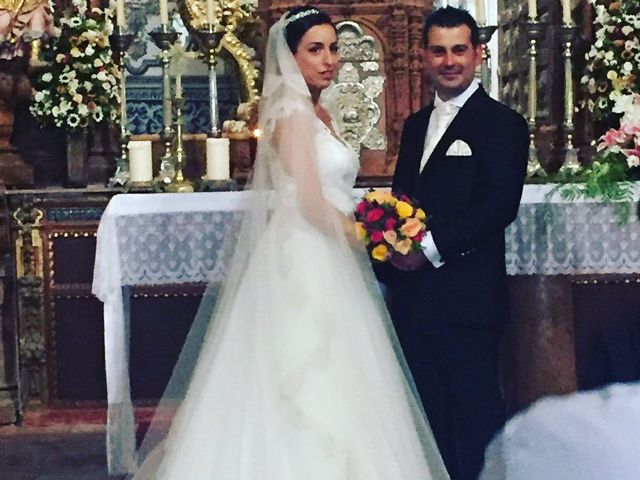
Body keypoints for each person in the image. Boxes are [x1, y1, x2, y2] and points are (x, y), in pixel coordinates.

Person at [119, 7, 449, 480]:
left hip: (328, 251)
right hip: (304, 253)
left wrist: (373, 224)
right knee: (303, 372)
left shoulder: (319, 112)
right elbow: (313, 204)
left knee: (346, 380)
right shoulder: (290, 114)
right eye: (315, 49)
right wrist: (375, 241)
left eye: (333, 48)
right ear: (290, 57)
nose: (329, 59)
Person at [381, 6, 529, 480]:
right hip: (414, 302)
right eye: (439, 51)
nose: (449, 61)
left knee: (479, 420)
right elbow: (405, 199)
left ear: (478, 54)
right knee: (428, 425)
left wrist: (426, 251)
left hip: (468, 302)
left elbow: (497, 207)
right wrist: (389, 246)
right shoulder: (415, 126)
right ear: (424, 57)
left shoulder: (503, 124)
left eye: (459, 50)